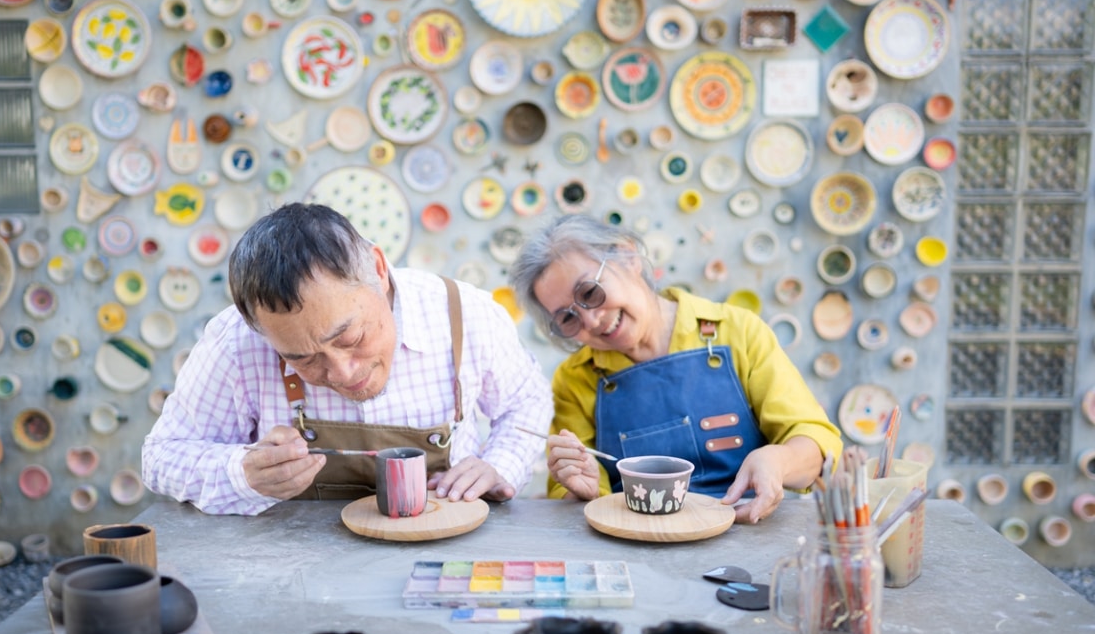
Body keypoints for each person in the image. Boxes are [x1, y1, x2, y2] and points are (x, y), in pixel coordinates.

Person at [142, 203, 552, 515]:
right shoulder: (234, 341)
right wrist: (242, 472)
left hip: (447, 554)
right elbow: (161, 456)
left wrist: (499, 464)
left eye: (351, 336)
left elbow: (525, 403)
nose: (342, 372)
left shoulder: (465, 314)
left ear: (377, 270)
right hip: (294, 573)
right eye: (302, 359)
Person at [509, 215, 842, 524]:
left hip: (747, 532)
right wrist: (580, 490)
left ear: (628, 257)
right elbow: (574, 499)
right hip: (638, 548)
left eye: (590, 292)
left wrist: (779, 462)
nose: (592, 320)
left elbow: (818, 447)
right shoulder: (576, 378)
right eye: (568, 318)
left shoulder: (737, 331)